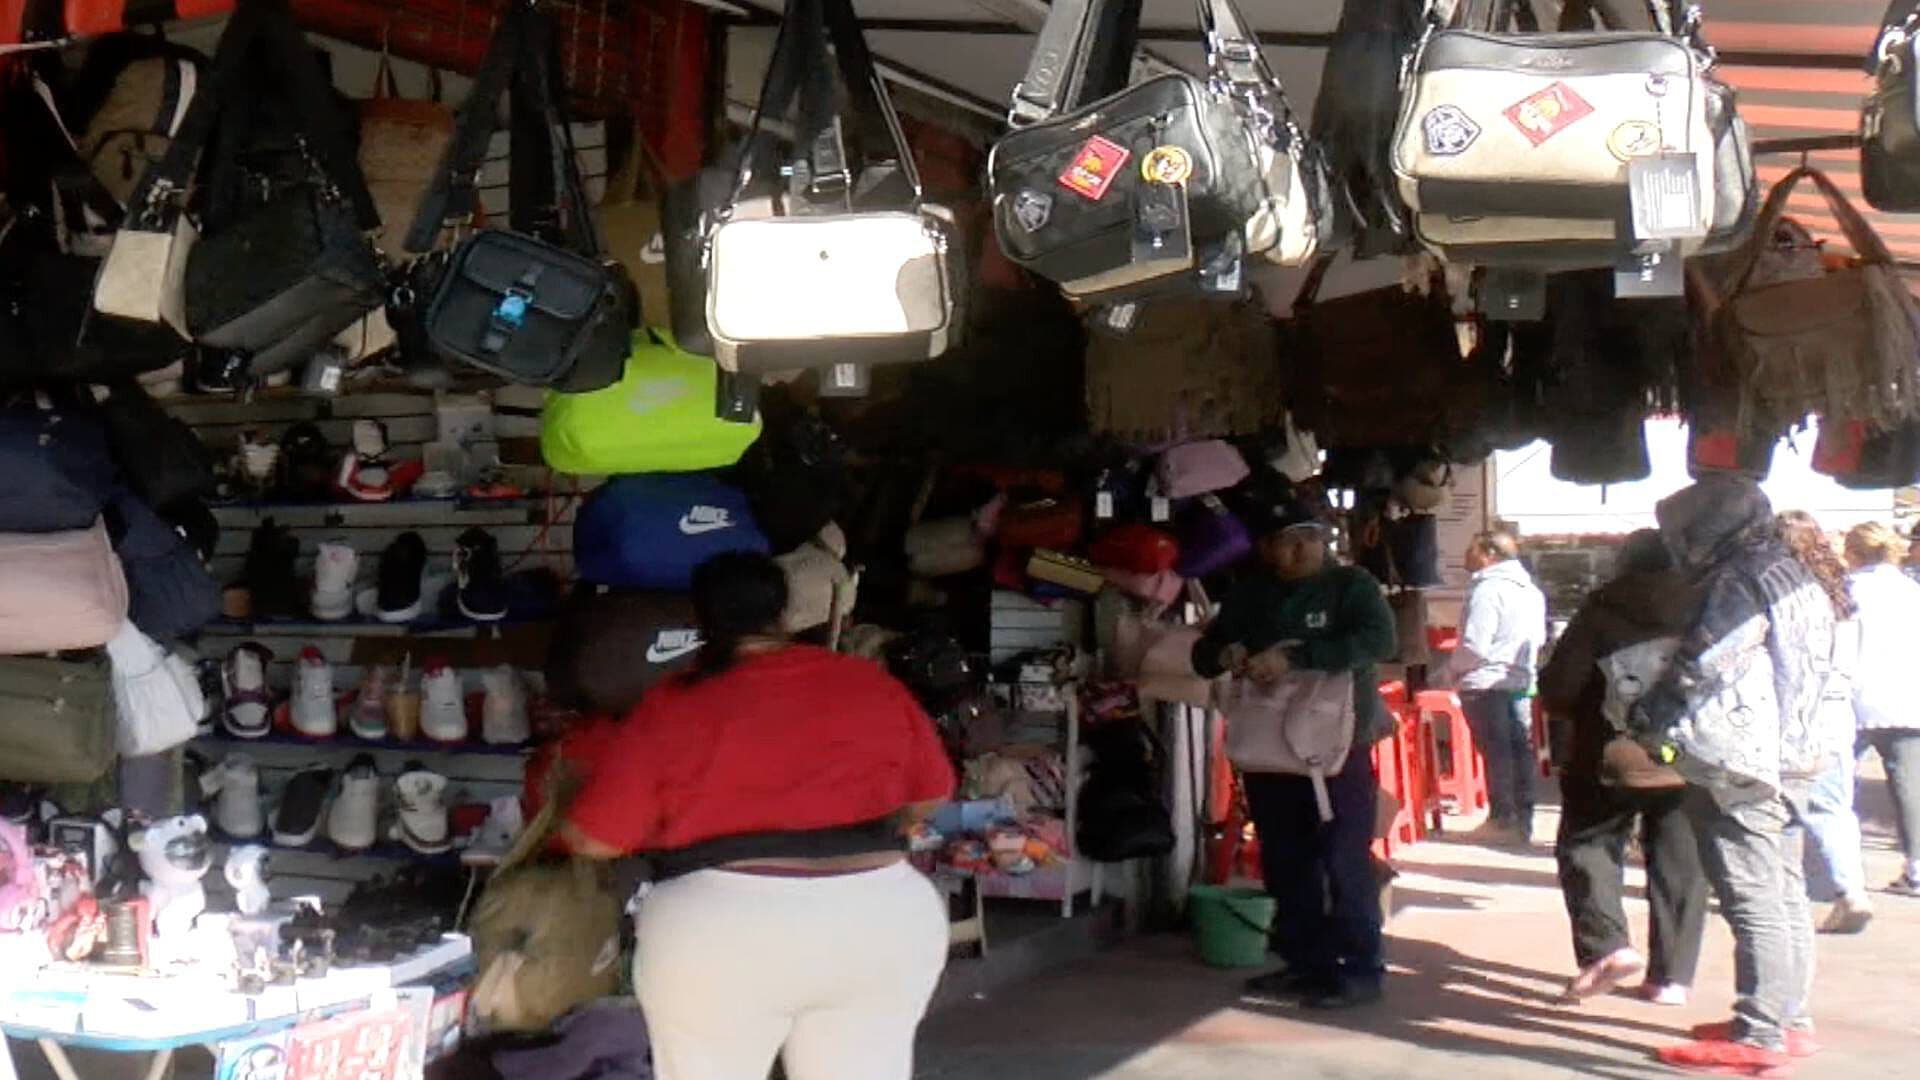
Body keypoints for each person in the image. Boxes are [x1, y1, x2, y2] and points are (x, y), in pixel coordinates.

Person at [559, 552, 956, 1080]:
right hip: (883, 920)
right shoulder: (866, 682)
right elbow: (933, 793)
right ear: (784, 614)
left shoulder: (675, 704)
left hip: (722, 931)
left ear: (700, 622)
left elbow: (595, 840)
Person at [1634, 480, 1836, 1073]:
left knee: (1751, 895)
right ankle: (1787, 1018)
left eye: (1681, 533)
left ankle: (1760, 1032)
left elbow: (1710, 658)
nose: (1678, 546)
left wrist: (1653, 713)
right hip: (1801, 751)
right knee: (1783, 889)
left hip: (1744, 760)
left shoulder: (1739, 577)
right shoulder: (1793, 567)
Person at [1192, 500, 1396, 1010]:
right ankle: (1305, 963)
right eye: (1288, 538)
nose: (1302, 547)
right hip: (1269, 748)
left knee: (1342, 857)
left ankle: (1359, 968)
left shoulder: (1353, 587)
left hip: (1337, 747)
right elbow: (1204, 653)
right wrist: (1228, 654)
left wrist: (1297, 657)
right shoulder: (1251, 595)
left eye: (1311, 535)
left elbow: (1379, 639)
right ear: (1266, 548)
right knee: (1285, 860)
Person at [1538, 530, 1707, 1007]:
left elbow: (1560, 688)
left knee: (1587, 846)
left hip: (1607, 755)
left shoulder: (1601, 610)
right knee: (1681, 863)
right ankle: (1671, 978)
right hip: (1686, 755)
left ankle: (1608, 946)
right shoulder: (1704, 607)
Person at [1783, 514, 1871, 935]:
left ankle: (1785, 897)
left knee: (1781, 811)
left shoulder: (1789, 595)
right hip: (1838, 712)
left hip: (1796, 714)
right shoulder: (1843, 596)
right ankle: (1851, 890)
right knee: (1835, 808)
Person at [1451, 529, 1548, 847]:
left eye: (1472, 548)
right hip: (1520, 680)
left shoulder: (1487, 589)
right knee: (1520, 749)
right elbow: (1540, 640)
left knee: (1497, 751)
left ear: (1488, 554)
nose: (1467, 554)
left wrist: (1454, 670)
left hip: (1485, 681)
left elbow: (1475, 644)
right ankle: (1523, 820)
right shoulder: (1531, 591)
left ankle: (1502, 818)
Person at [1843, 522, 1920, 898]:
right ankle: (1918, 868)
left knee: (1836, 786)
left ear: (1855, 553)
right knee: (1910, 788)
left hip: (1854, 699)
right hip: (1908, 698)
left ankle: (1840, 873)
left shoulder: (1849, 589)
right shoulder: (1912, 590)